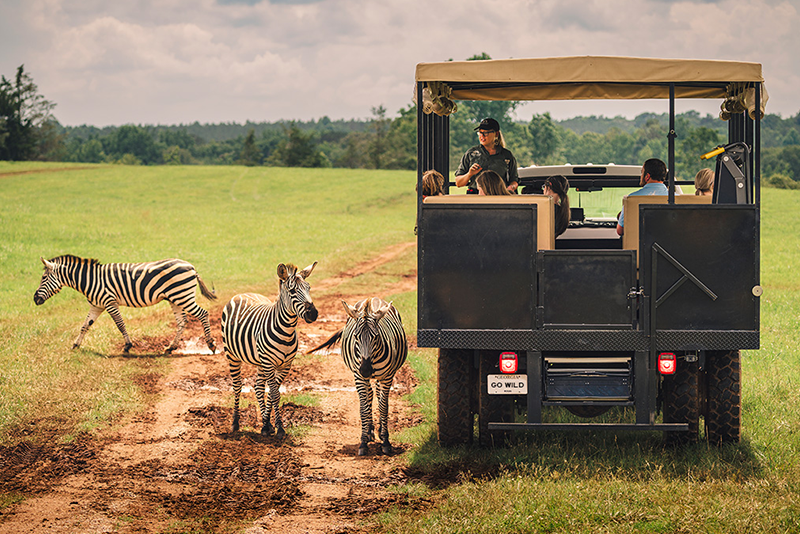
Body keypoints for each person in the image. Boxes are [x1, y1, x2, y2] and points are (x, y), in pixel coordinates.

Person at [454, 118, 519, 194]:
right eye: (480, 133)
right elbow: (458, 183)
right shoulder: (471, 154)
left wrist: (510, 188)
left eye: (486, 133)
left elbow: (514, 181)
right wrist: (469, 174)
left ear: (496, 134)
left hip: (499, 196)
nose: (482, 136)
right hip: (476, 195)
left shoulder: (506, 155)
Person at [616, 158, 669, 236]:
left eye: (642, 173)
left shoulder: (632, 199)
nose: (641, 176)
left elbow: (620, 230)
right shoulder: (676, 198)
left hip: (639, 247)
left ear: (647, 176)